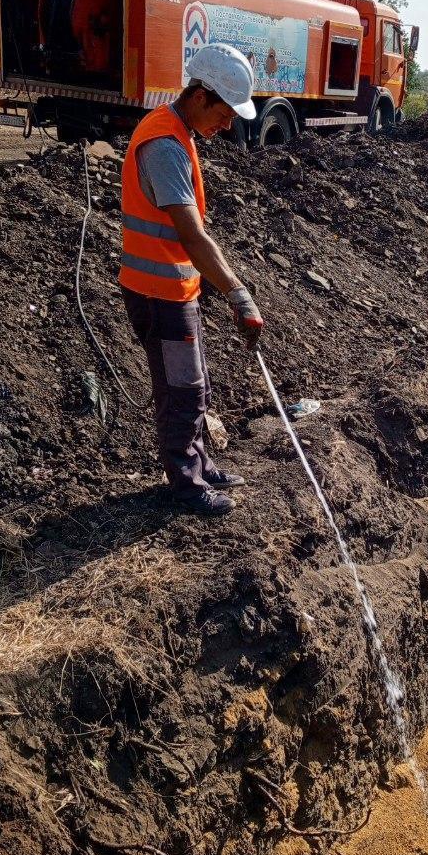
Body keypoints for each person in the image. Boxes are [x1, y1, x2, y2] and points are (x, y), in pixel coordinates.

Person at [119, 42, 264, 516]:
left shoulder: (178, 133)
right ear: (200, 95)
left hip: (175, 288)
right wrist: (238, 293)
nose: (227, 126)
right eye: (224, 114)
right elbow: (193, 235)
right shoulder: (164, 145)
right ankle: (187, 485)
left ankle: (199, 462)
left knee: (191, 382)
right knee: (183, 389)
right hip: (158, 293)